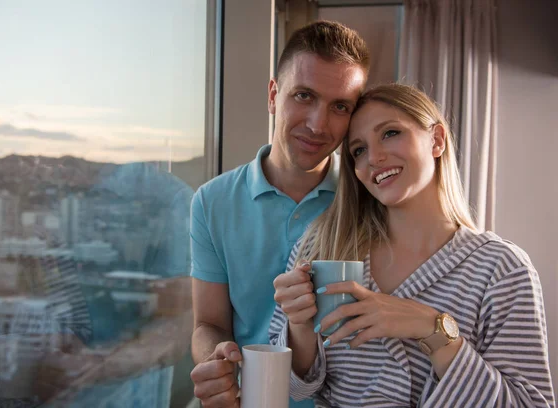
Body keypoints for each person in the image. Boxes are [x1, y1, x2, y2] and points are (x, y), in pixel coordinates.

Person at [270, 84, 556, 407]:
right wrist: (299, 326)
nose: (374, 158)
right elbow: (293, 389)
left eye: (390, 133)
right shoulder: (322, 249)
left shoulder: (503, 269)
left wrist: (432, 329)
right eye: (358, 151)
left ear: (436, 140)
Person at [189, 21, 370, 408]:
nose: (318, 124)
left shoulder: (370, 199)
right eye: (303, 96)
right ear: (273, 95)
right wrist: (214, 359)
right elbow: (209, 324)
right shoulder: (211, 202)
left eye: (340, 106)